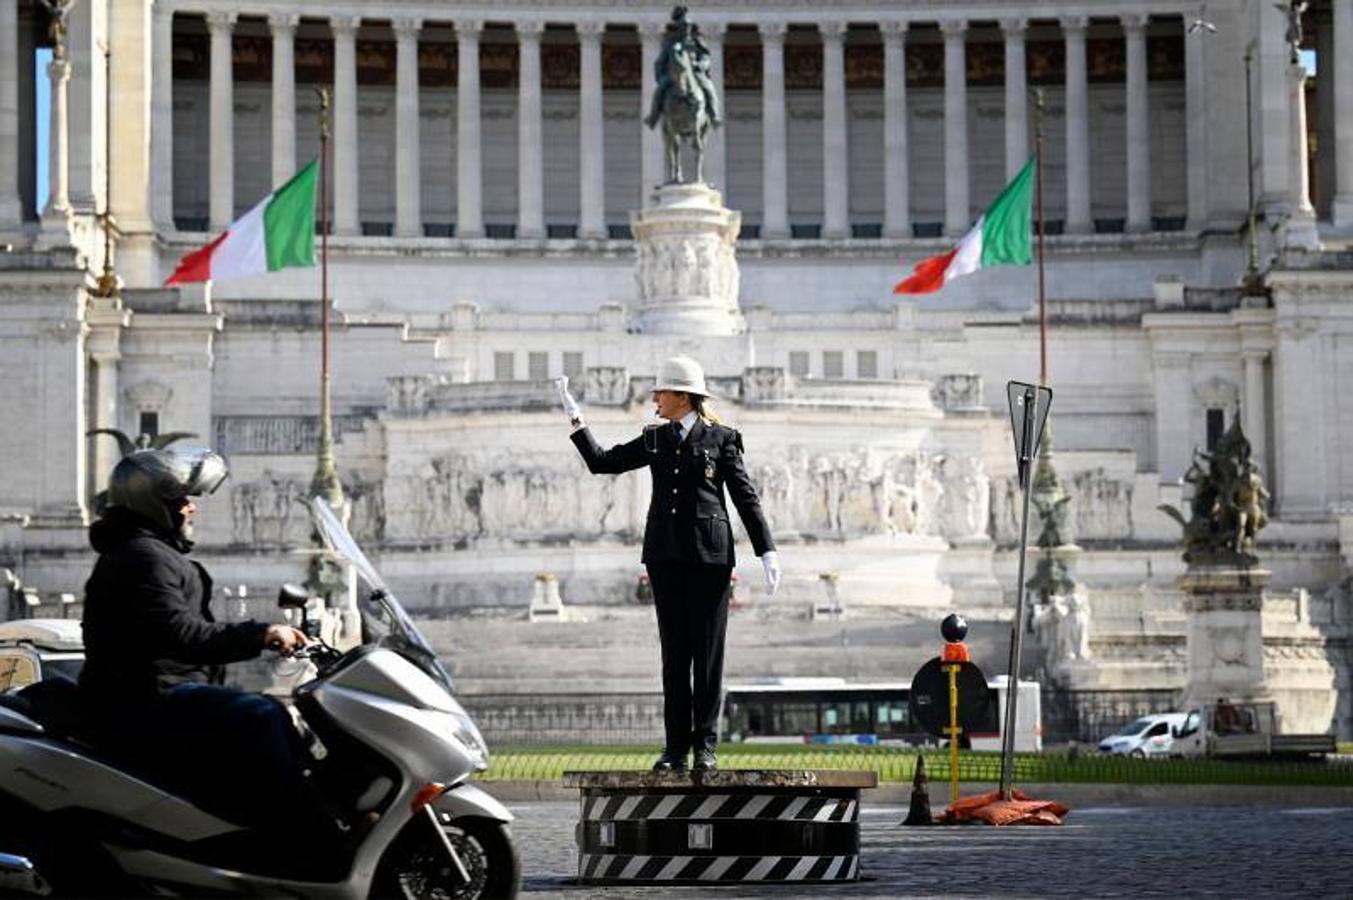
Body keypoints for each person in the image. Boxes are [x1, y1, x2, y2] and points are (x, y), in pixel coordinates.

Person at [79, 447, 340, 867]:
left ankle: (295, 822)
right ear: (153, 503)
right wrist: (263, 633)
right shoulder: (142, 558)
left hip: (156, 695)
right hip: (144, 701)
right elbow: (181, 635)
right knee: (262, 716)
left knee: (271, 722)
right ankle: (308, 847)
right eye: (181, 499)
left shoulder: (146, 553)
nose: (191, 507)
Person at [558, 357, 780, 772]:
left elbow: (745, 498)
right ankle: (675, 749)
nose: (654, 398)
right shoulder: (655, 439)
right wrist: (576, 420)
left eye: (660, 392)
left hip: (711, 559)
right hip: (666, 557)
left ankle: (706, 749)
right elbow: (603, 462)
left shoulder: (723, 439)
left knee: (708, 657)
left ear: (682, 396)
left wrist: (766, 550)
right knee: (675, 658)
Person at [644, 7, 722, 130]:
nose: (687, 29)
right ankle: (653, 117)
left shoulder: (697, 41)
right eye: (684, 26)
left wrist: (700, 65)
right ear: (679, 27)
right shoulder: (671, 43)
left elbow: (706, 57)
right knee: (659, 91)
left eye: (688, 26)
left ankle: (714, 114)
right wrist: (661, 76)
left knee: (709, 88)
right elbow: (660, 61)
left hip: (695, 72)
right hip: (674, 75)